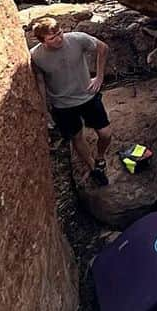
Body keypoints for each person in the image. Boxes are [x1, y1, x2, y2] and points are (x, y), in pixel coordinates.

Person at [30, 16, 112, 187]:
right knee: (77, 137)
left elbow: (102, 48)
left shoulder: (76, 39)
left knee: (105, 134)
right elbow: (40, 81)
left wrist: (99, 77)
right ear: (42, 40)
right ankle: (93, 167)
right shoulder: (36, 56)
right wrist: (45, 109)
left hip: (87, 96)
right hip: (63, 105)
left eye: (60, 33)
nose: (59, 39)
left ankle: (100, 156)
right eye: (52, 38)